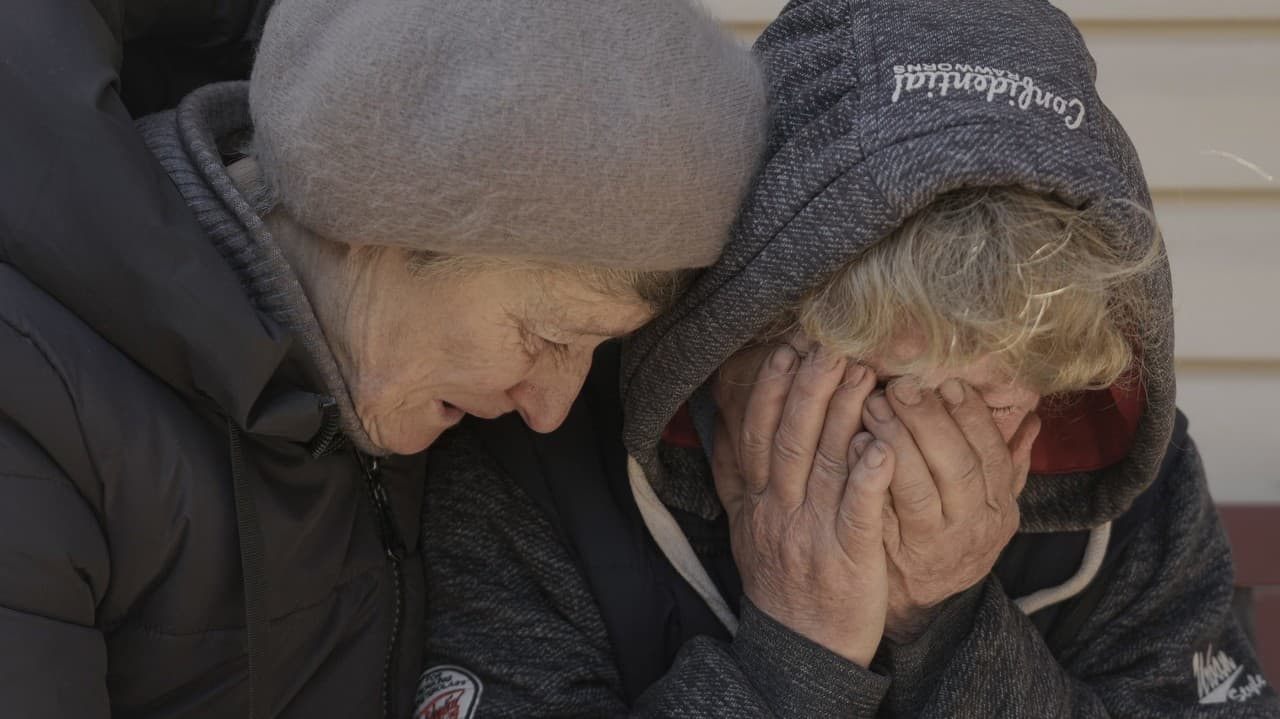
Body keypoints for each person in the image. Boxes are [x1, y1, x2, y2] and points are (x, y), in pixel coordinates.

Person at [419, 0, 1280, 716]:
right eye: (898, 392)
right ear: (744, 325)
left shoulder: (1122, 481)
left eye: (1004, 398)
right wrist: (794, 654)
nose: (943, 451)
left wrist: (945, 624)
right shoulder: (540, 449)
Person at [0, 0, 767, 716]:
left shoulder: (386, 378)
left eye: (597, 351)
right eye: (548, 336)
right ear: (377, 214)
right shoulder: (32, 414)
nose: (549, 408)